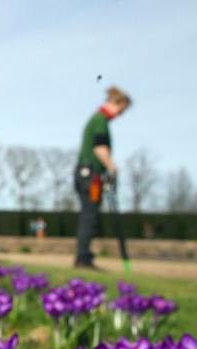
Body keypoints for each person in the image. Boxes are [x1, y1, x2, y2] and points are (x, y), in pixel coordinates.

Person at [74, 86, 131, 268]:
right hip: (90, 174)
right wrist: (112, 168)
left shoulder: (98, 120)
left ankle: (84, 256)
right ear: (115, 103)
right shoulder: (100, 121)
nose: (120, 115)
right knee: (89, 216)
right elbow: (100, 149)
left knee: (89, 214)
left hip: (88, 173)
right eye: (121, 110)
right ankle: (83, 258)